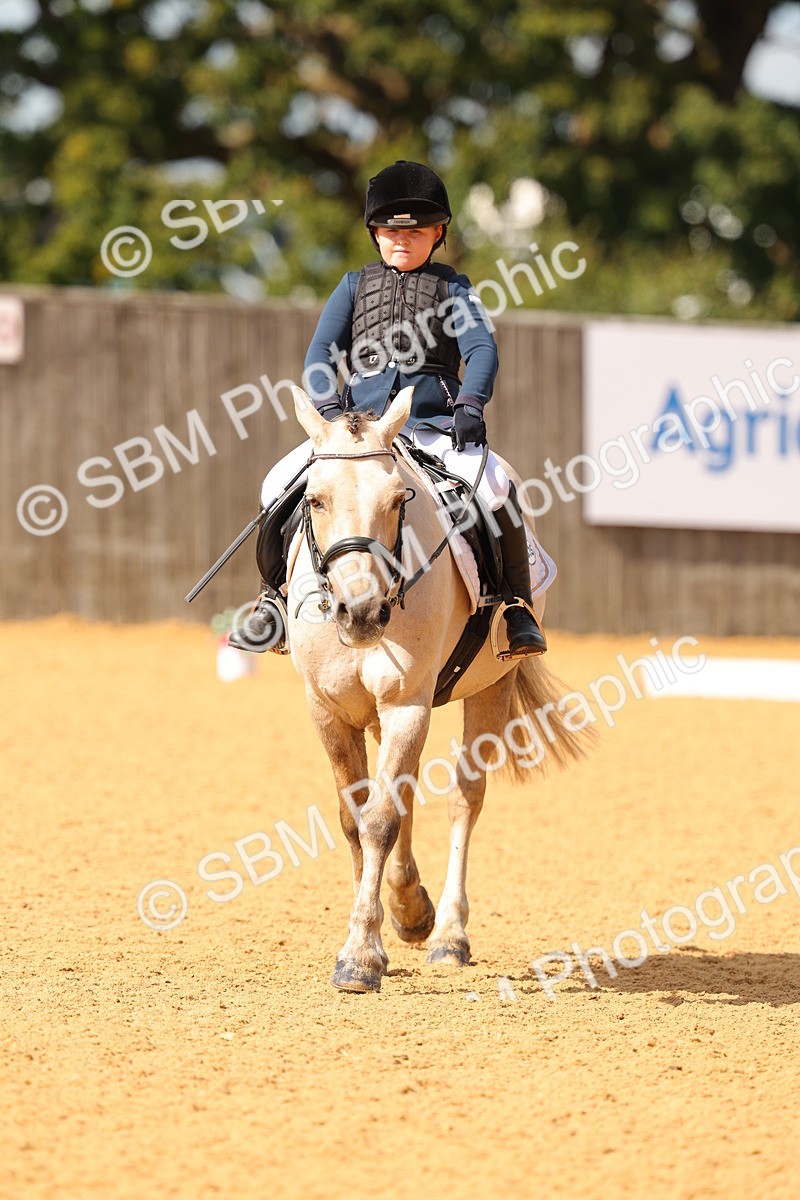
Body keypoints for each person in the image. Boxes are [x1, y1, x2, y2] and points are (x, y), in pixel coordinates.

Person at [228, 160, 546, 657]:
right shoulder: (353, 286)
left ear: (438, 233)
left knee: (496, 485)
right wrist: (329, 406)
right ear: (375, 234)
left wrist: (470, 403)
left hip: (434, 426)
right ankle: (273, 600)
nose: (403, 240)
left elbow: (482, 351)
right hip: (361, 432)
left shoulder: (454, 288)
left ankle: (515, 608)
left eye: (417, 231)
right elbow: (319, 356)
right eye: (391, 231)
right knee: (277, 483)